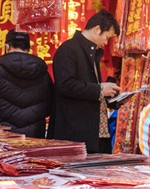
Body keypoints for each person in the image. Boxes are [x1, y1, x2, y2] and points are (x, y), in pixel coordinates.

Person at [50, 11, 121, 154]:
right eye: (107, 37)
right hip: (75, 133)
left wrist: (112, 98)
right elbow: (66, 85)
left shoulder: (91, 53)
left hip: (96, 133)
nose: (106, 43)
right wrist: (100, 90)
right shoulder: (68, 50)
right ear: (96, 29)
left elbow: (90, 91)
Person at [0, 30, 53, 137]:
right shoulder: (42, 73)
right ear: (29, 48)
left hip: (0, 134)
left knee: (0, 154)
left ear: (7, 47)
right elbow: (50, 103)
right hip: (32, 134)